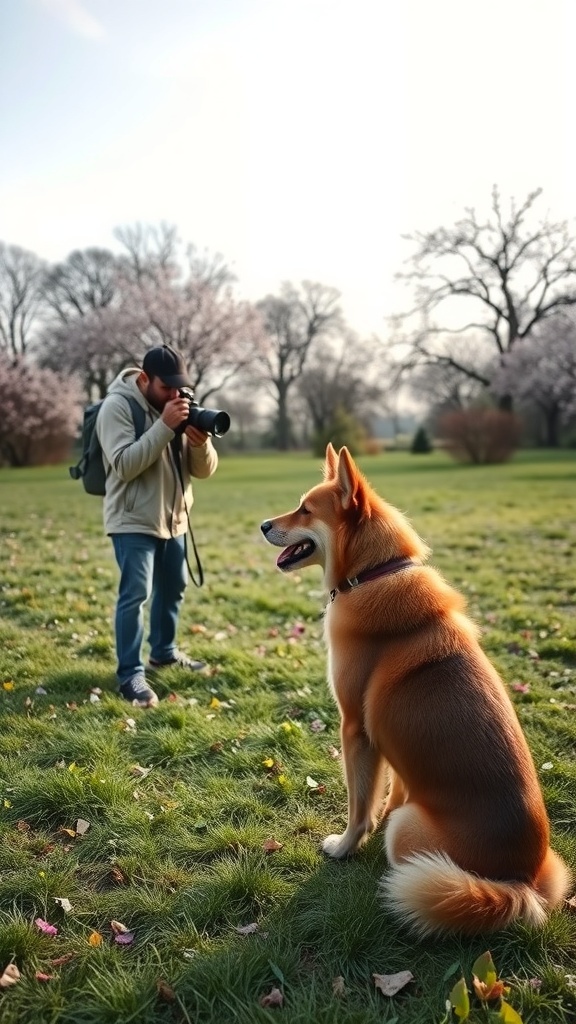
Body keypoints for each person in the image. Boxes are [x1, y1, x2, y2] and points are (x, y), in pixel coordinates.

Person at [96, 345, 218, 707]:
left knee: (174, 587)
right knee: (135, 595)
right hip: (133, 519)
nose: (175, 396)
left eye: (180, 389)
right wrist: (165, 426)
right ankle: (130, 673)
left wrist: (200, 444)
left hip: (174, 518)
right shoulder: (117, 407)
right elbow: (124, 464)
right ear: (145, 379)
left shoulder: (179, 404)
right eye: (167, 388)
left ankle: (163, 652)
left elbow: (204, 471)